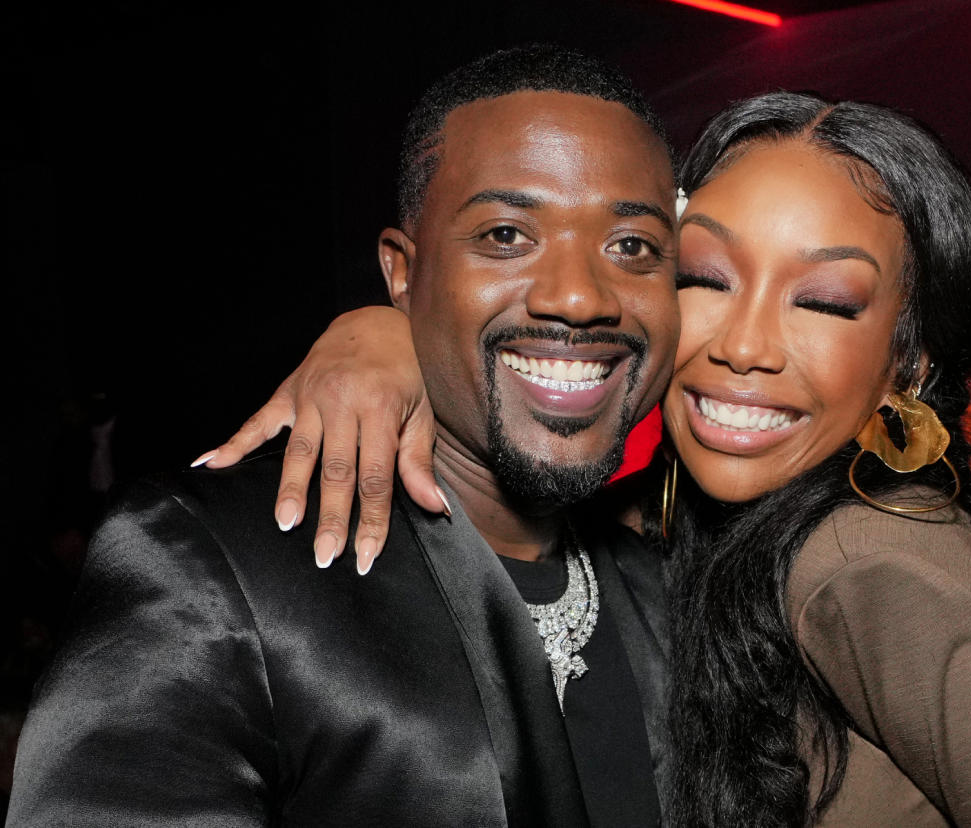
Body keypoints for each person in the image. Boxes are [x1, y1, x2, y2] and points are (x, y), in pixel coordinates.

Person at [206, 92, 971, 825]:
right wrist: (385, 334)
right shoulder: (696, 533)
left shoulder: (864, 563)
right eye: (705, 276)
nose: (745, 344)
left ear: (906, 361)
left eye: (823, 301)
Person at [7, 45, 679, 827]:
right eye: (506, 235)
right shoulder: (222, 566)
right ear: (402, 272)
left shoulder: (674, 597)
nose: (579, 295)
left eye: (632, 246)